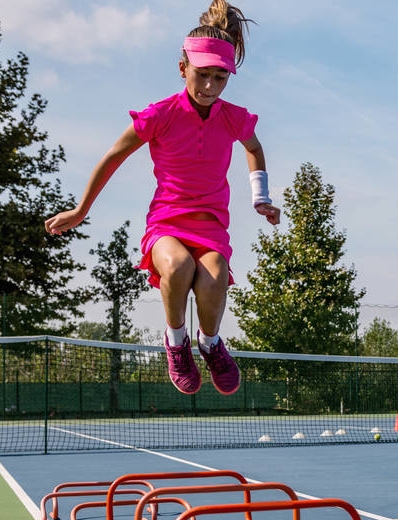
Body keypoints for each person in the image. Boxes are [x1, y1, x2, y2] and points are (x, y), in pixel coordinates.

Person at [45, 0, 279, 396]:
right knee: (178, 266)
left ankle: (210, 344)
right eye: (202, 75)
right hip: (167, 224)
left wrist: (261, 198)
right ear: (182, 67)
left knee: (215, 276)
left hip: (211, 226)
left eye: (220, 78)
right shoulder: (160, 115)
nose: (209, 87)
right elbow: (113, 156)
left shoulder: (233, 117)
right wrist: (82, 209)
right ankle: (176, 343)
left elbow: (253, 148)